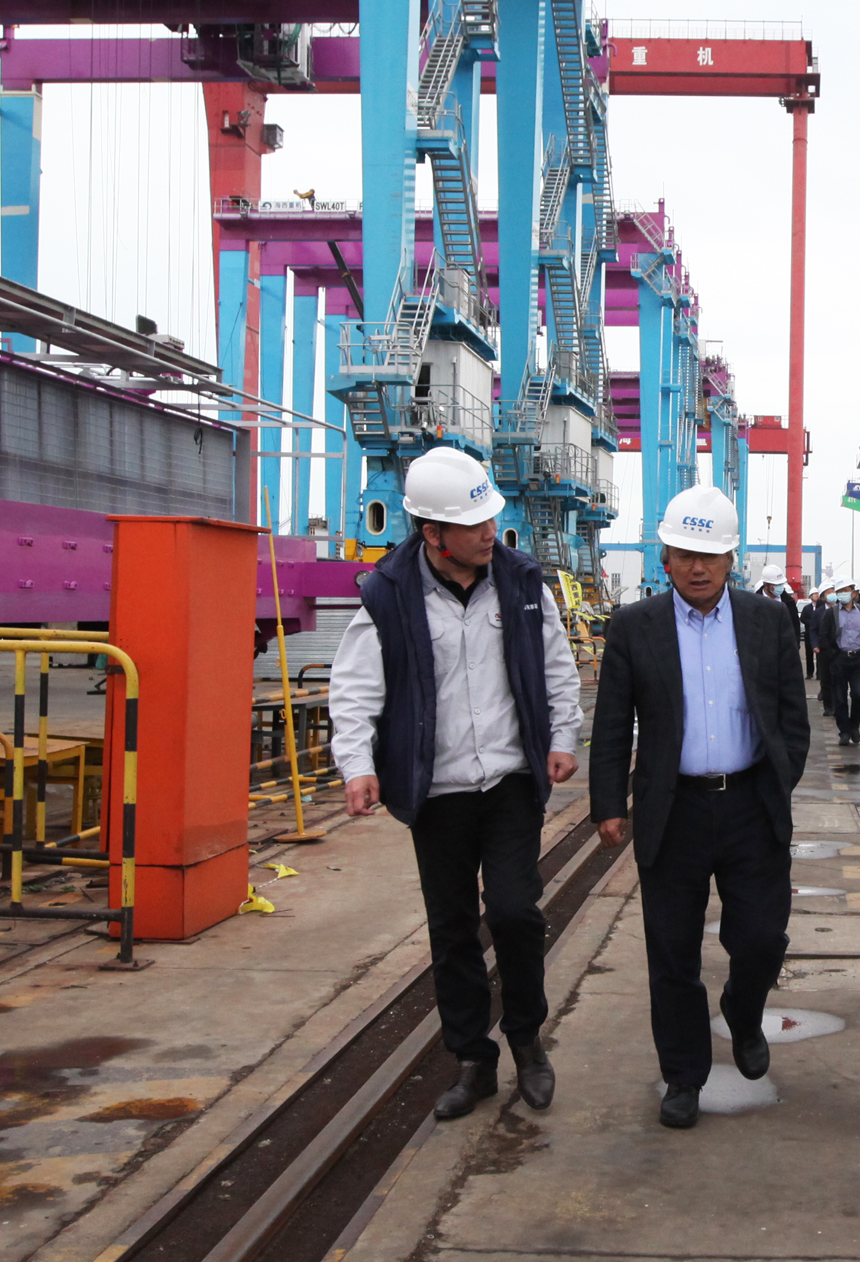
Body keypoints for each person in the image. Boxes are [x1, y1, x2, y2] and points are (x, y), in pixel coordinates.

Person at [333, 448, 583, 1121]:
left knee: (515, 912)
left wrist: (563, 738)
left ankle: (527, 1040)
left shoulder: (523, 582)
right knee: (451, 930)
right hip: (436, 790)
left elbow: (556, 668)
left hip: (507, 781)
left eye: (490, 518)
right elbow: (355, 689)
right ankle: (473, 1059)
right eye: (474, 524)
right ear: (432, 533)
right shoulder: (388, 594)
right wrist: (357, 764)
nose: (489, 531)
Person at [589, 485, 812, 1130]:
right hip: (673, 810)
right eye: (685, 554)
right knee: (672, 953)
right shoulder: (635, 627)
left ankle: (743, 1010)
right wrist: (609, 803)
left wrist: (779, 781)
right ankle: (684, 1077)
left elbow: (792, 719)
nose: (697, 568)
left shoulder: (767, 621)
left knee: (762, 937)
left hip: (750, 806)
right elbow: (612, 723)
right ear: (665, 557)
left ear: (730, 559)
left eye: (710, 556)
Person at [819, 584, 860, 745]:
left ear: (853, 593)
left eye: (846, 591)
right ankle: (844, 731)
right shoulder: (831, 614)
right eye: (840, 591)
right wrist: (833, 655)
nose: (843, 594)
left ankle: (854, 726)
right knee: (840, 698)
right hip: (840, 660)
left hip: (859, 660)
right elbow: (824, 637)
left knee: (859, 694)